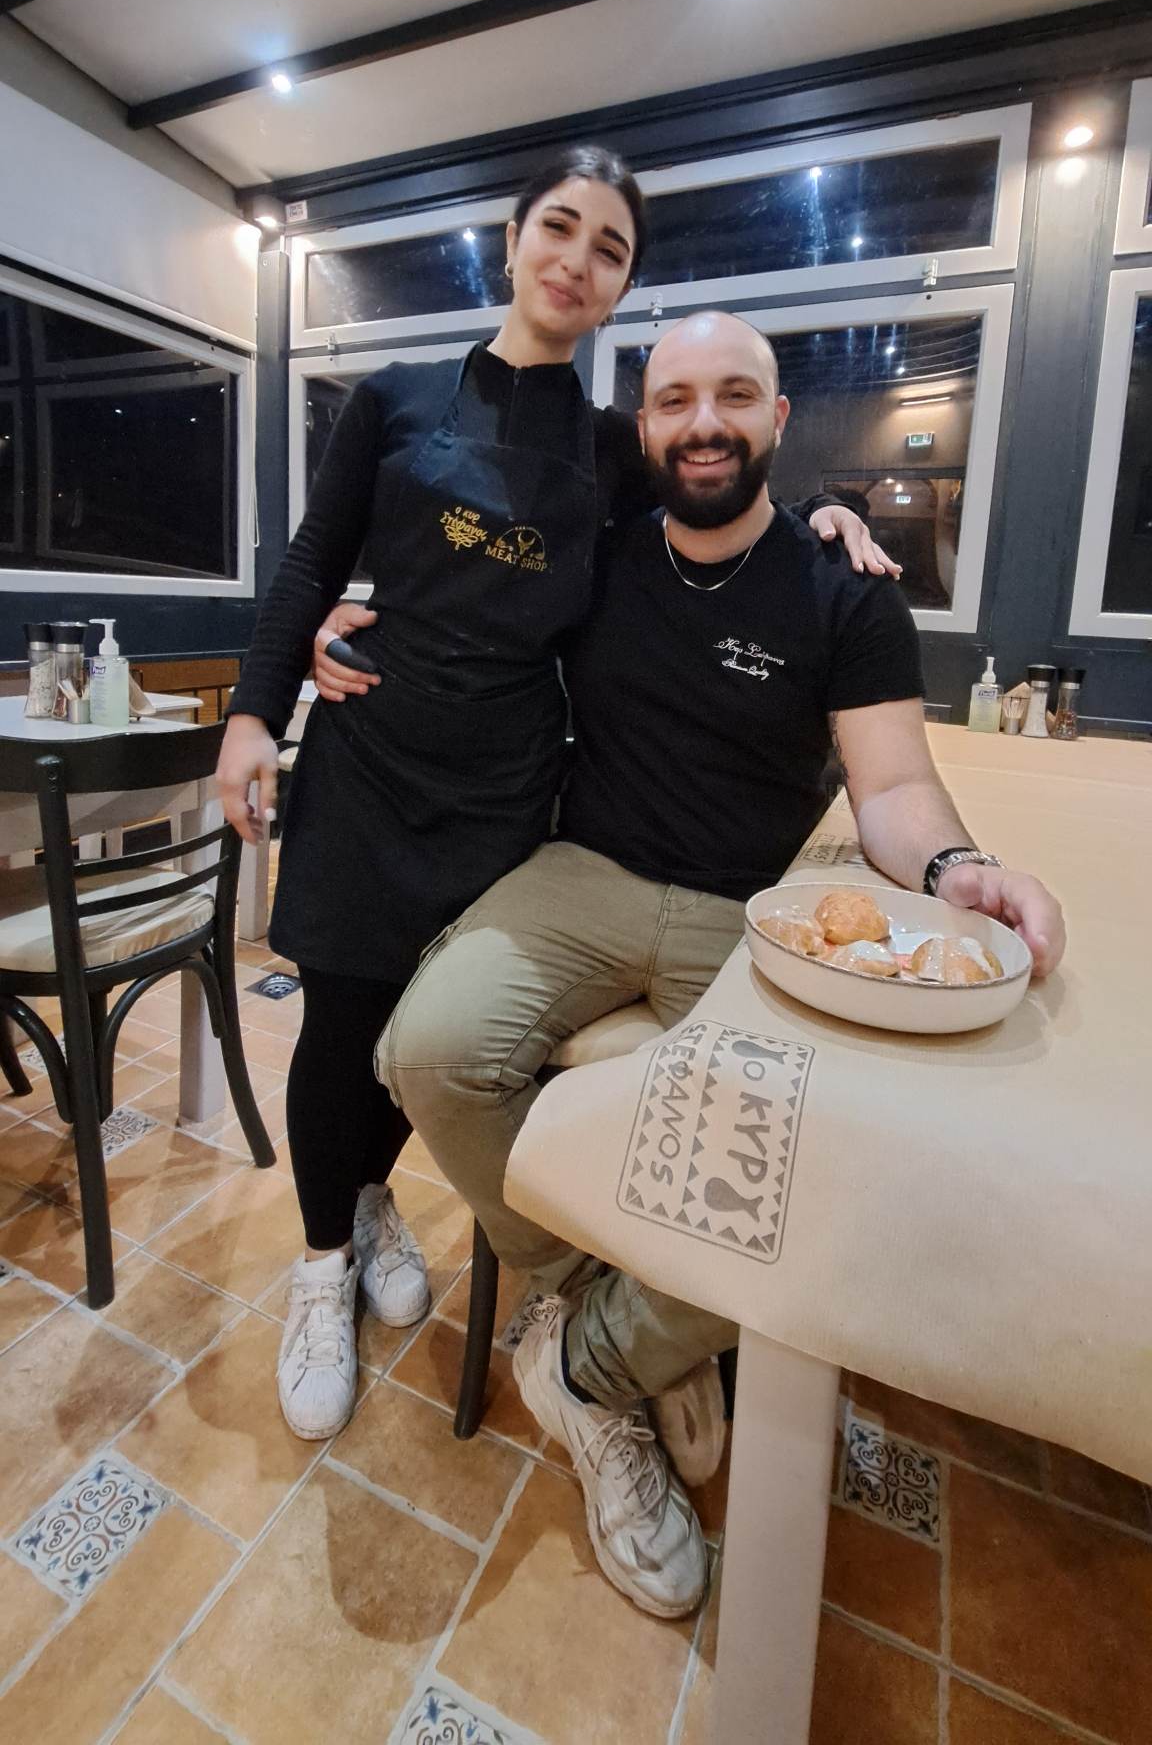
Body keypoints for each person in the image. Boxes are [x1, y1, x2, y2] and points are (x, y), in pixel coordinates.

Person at [331, 310, 1066, 1620]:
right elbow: (464, 591)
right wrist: (354, 613)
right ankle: (582, 1302)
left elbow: (894, 787)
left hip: (752, 909)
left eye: (735, 396)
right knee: (427, 1049)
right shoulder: (602, 551)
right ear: (644, 427)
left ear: (779, 420)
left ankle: (594, 1372)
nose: (704, 422)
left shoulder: (844, 590)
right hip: (585, 872)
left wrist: (960, 869)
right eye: (674, 400)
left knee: (806, 1170)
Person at [217, 155, 888, 1443]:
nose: (578, 261)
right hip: (373, 759)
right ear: (512, 240)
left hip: (509, 789)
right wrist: (257, 707)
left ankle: (373, 1196)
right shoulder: (395, 399)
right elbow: (312, 559)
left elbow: (719, 484)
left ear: (623, 286)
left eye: (610, 249)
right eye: (560, 230)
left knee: (418, 1032)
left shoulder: (608, 448)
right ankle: (321, 1261)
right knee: (341, 1015)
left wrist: (829, 513)